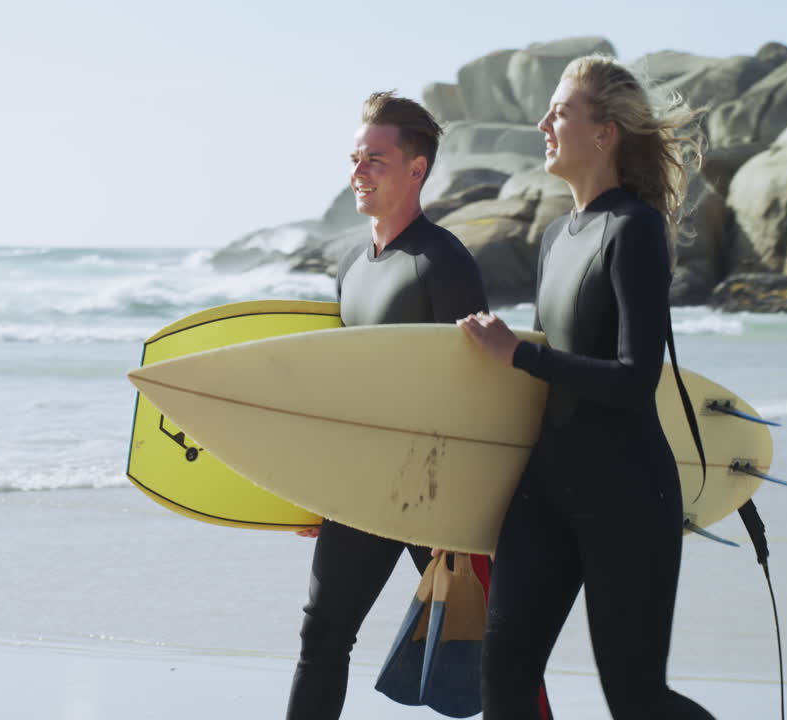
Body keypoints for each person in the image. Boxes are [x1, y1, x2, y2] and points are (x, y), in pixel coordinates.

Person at [457, 55, 715, 719]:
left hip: (628, 495)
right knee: (505, 681)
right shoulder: (554, 238)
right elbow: (536, 391)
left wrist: (517, 355)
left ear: (605, 133)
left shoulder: (634, 229)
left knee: (635, 699)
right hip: (546, 491)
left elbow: (635, 379)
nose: (542, 123)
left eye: (560, 111)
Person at [284, 90, 489, 720]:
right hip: (366, 487)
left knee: (492, 650)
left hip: (437, 493)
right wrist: (318, 487)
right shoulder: (351, 263)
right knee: (322, 634)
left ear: (416, 169)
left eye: (375, 158)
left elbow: (481, 389)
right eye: (355, 157)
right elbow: (340, 387)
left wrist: (472, 511)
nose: (358, 171)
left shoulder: (443, 262)